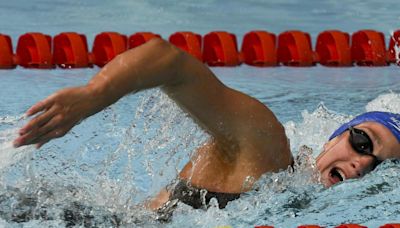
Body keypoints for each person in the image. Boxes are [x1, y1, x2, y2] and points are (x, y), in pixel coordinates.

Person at [13, 38, 400, 211]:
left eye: (383, 164)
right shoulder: (266, 150)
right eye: (363, 143)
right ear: (337, 133)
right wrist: (94, 94)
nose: (363, 164)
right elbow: (169, 61)